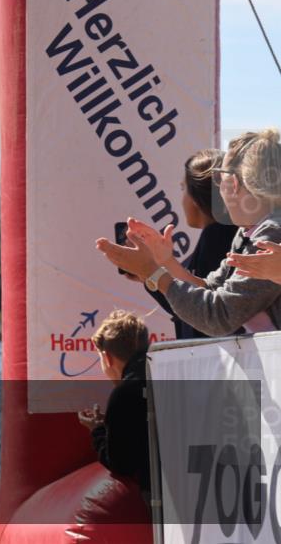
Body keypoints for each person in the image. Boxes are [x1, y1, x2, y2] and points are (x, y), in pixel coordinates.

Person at [96, 128, 281, 335]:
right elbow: (209, 289)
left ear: (234, 183)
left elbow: (218, 316)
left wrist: (152, 272)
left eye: (219, 177)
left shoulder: (272, 233)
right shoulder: (249, 232)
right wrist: (165, 261)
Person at [126, 149, 236, 339]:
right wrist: (148, 273)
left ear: (195, 197)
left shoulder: (217, 236)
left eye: (183, 188)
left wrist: (151, 271)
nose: (182, 197)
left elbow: (199, 310)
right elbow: (185, 304)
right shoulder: (221, 234)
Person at [77, 310, 151, 503]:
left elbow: (120, 464)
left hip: (161, 498)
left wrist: (97, 430)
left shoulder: (124, 394)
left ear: (107, 357)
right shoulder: (173, 373)